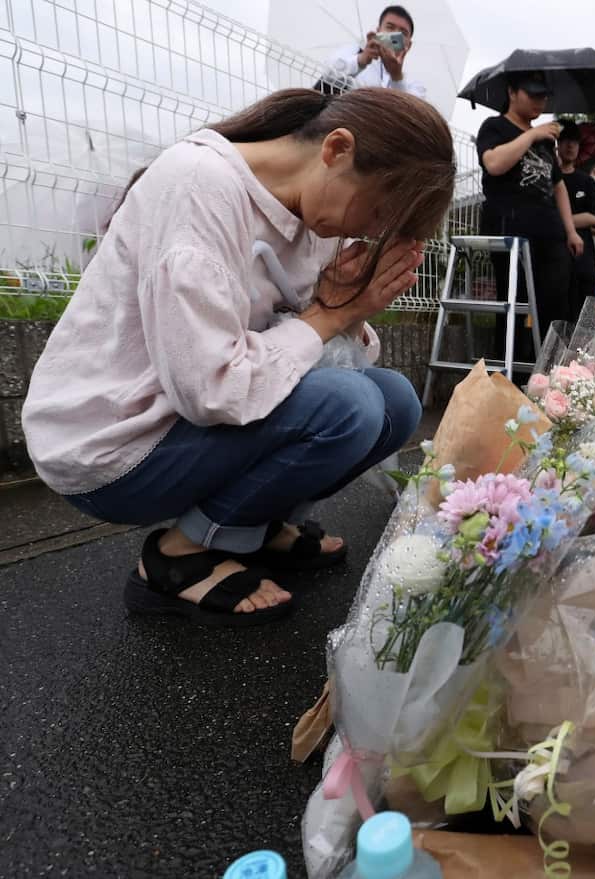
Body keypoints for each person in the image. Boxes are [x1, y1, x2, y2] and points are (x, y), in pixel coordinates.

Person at [20, 88, 455, 626]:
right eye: (379, 212)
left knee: (395, 402)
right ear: (337, 150)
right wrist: (327, 315)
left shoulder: (311, 212)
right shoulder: (199, 186)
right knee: (352, 405)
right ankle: (177, 558)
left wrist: (349, 308)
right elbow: (211, 388)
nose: (367, 232)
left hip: (183, 422)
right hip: (111, 446)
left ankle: (254, 527)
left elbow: (317, 350)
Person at [476, 71, 583, 352]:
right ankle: (509, 374)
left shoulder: (547, 142)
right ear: (512, 93)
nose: (540, 101)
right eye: (533, 94)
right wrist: (532, 134)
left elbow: (558, 185)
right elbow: (494, 163)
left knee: (556, 303)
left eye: (543, 96)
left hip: (549, 231)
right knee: (515, 302)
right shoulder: (494, 127)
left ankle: (548, 370)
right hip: (510, 227)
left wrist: (571, 230)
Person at [322, 5, 427, 102]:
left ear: (409, 44)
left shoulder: (414, 85)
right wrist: (360, 61)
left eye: (403, 33)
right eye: (390, 27)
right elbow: (327, 75)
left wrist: (397, 77)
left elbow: (410, 113)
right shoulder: (353, 52)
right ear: (378, 31)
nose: (395, 35)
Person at [556, 120, 595, 321]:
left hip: (583, 260)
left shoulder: (587, 181)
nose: (570, 146)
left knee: (585, 319)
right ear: (557, 144)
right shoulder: (551, 179)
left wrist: (560, 221)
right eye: (565, 140)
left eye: (574, 142)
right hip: (556, 259)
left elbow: (594, 218)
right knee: (557, 316)